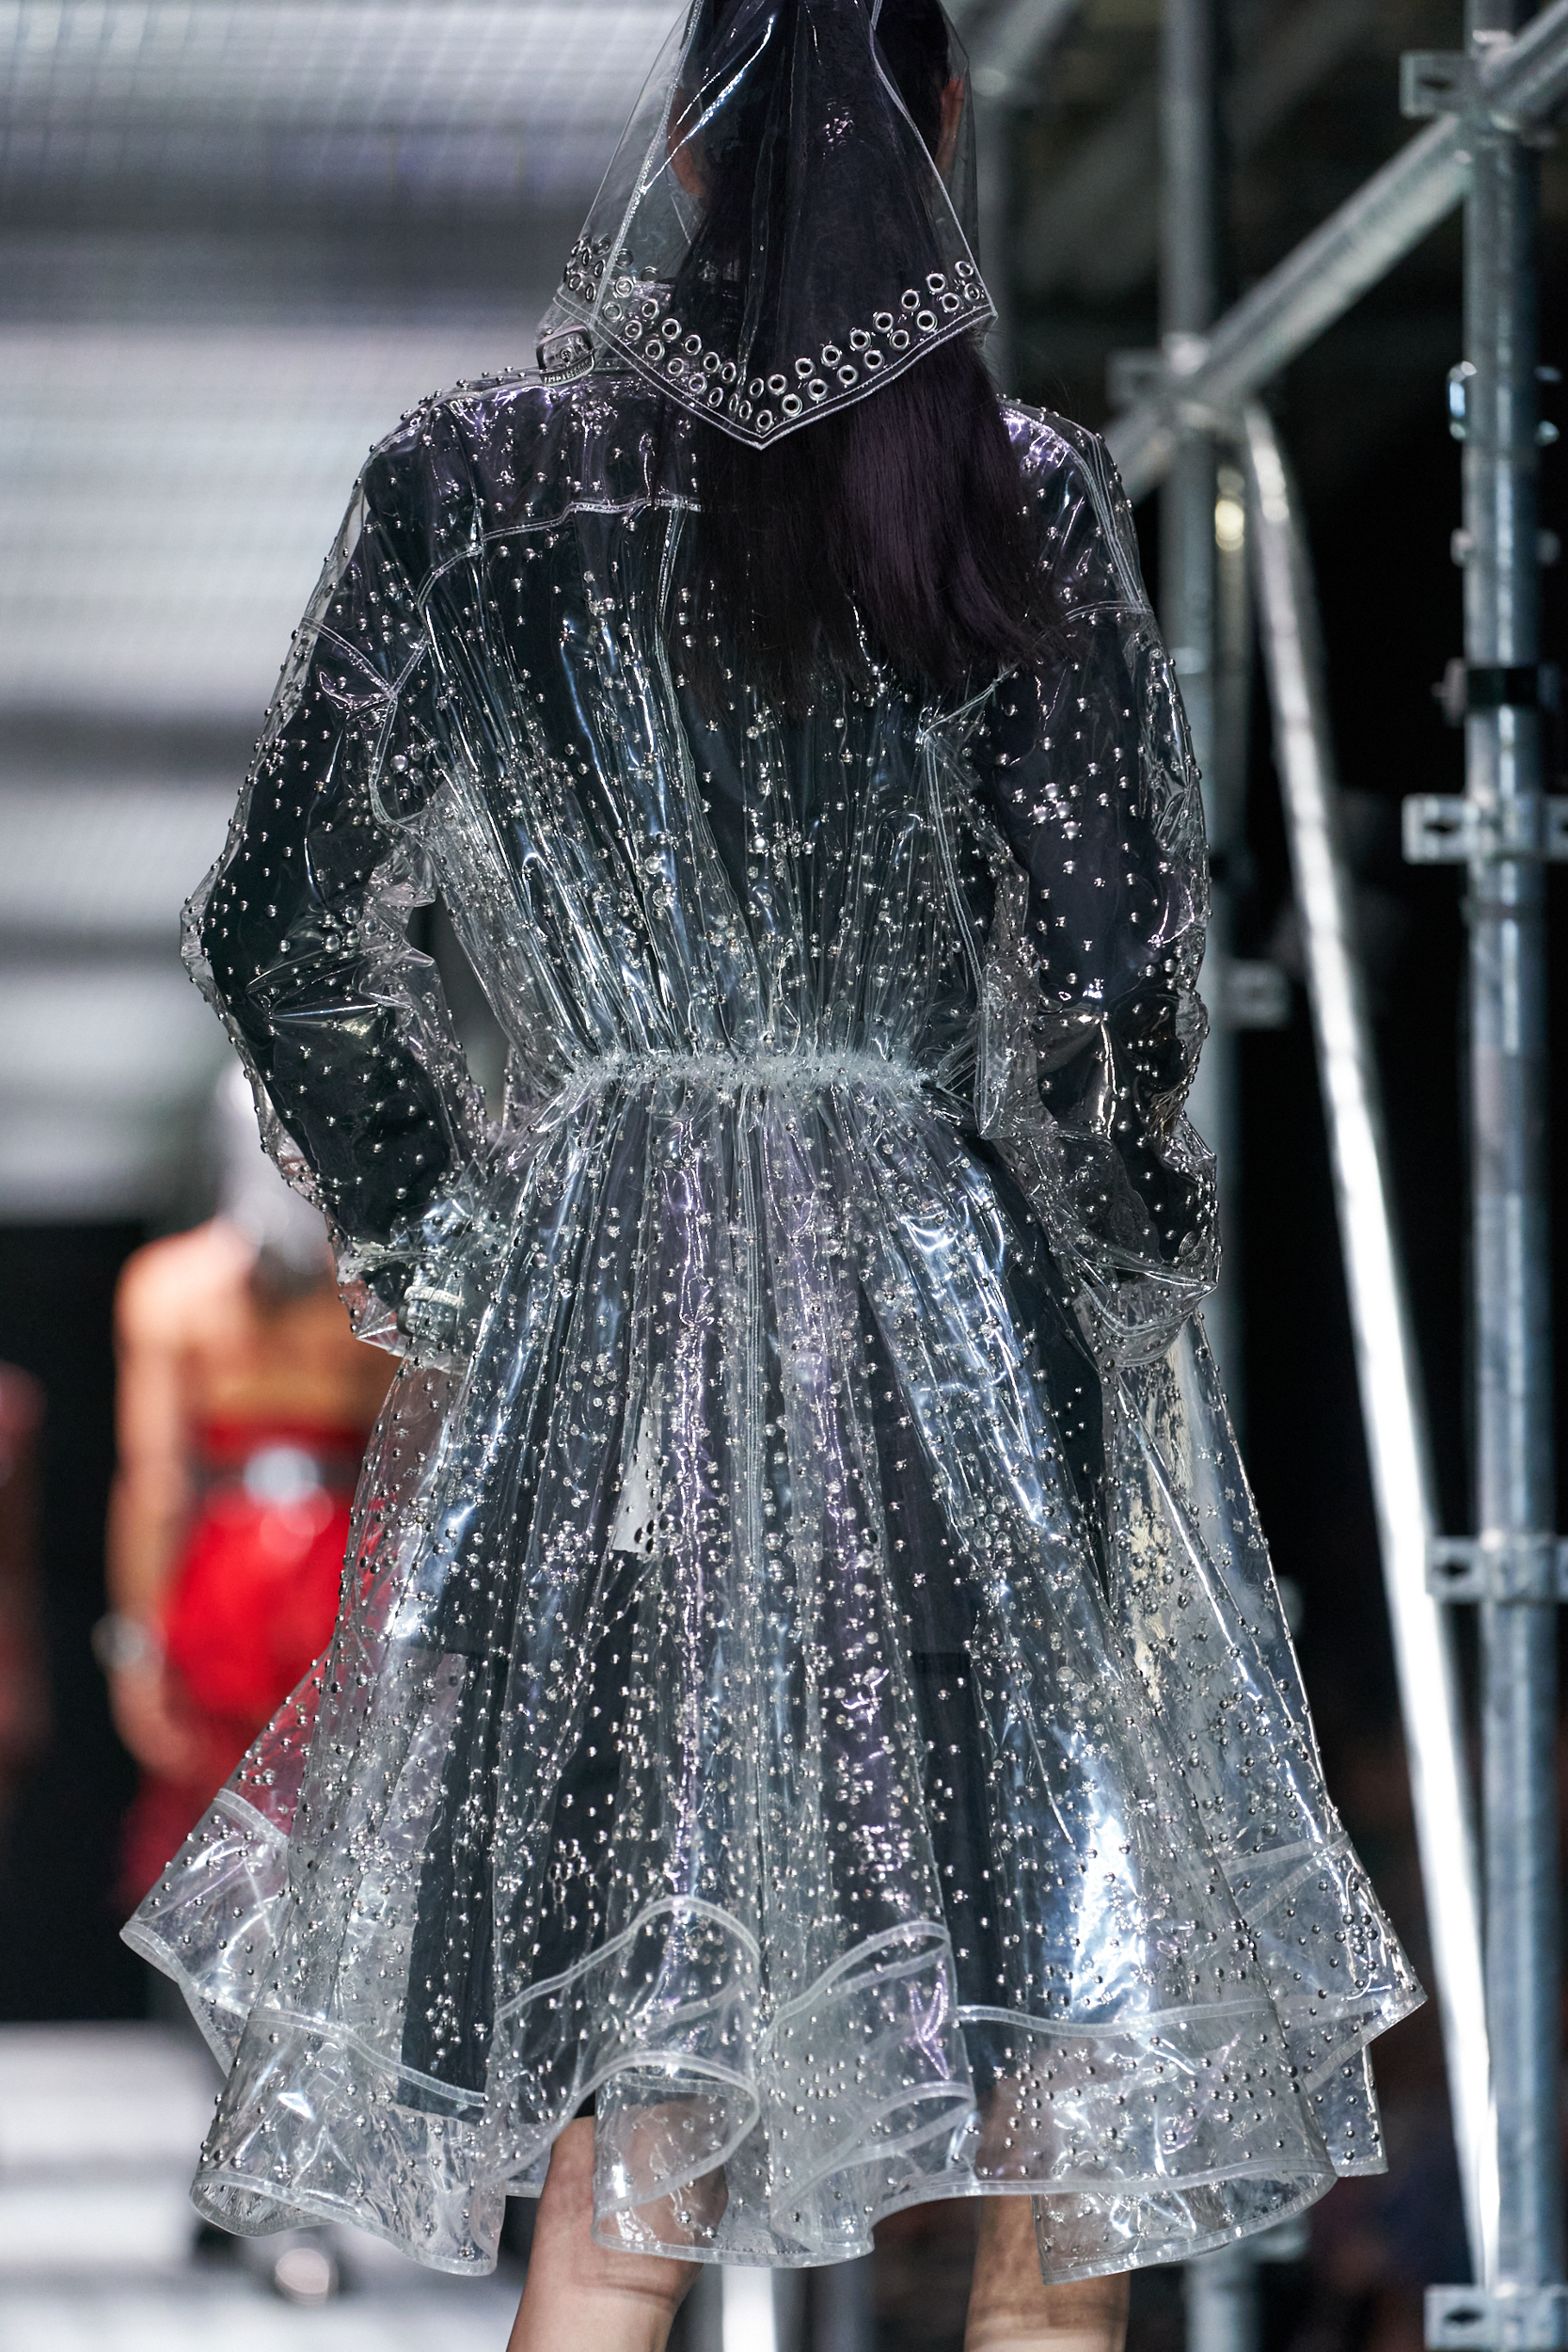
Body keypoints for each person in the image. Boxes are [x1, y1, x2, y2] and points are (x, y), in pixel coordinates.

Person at [126, 3, 1421, 2345]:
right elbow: (1111, 968)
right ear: (943, 131)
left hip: (608, 1368)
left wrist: (469, 1242)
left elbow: (279, 926)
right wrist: (1110, 1258)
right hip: (951, 1349)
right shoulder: (1005, 493)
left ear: (687, 151)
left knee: (627, 2135)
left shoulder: (471, 484)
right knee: (1052, 2095)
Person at [103, 1069, 392, 1899]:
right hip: (346, 1561)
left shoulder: (170, 1287)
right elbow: (408, 1470)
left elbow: (156, 1484)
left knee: (224, 1821)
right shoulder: (376, 1292)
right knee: (345, 1817)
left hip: (225, 1570)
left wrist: (135, 1646)